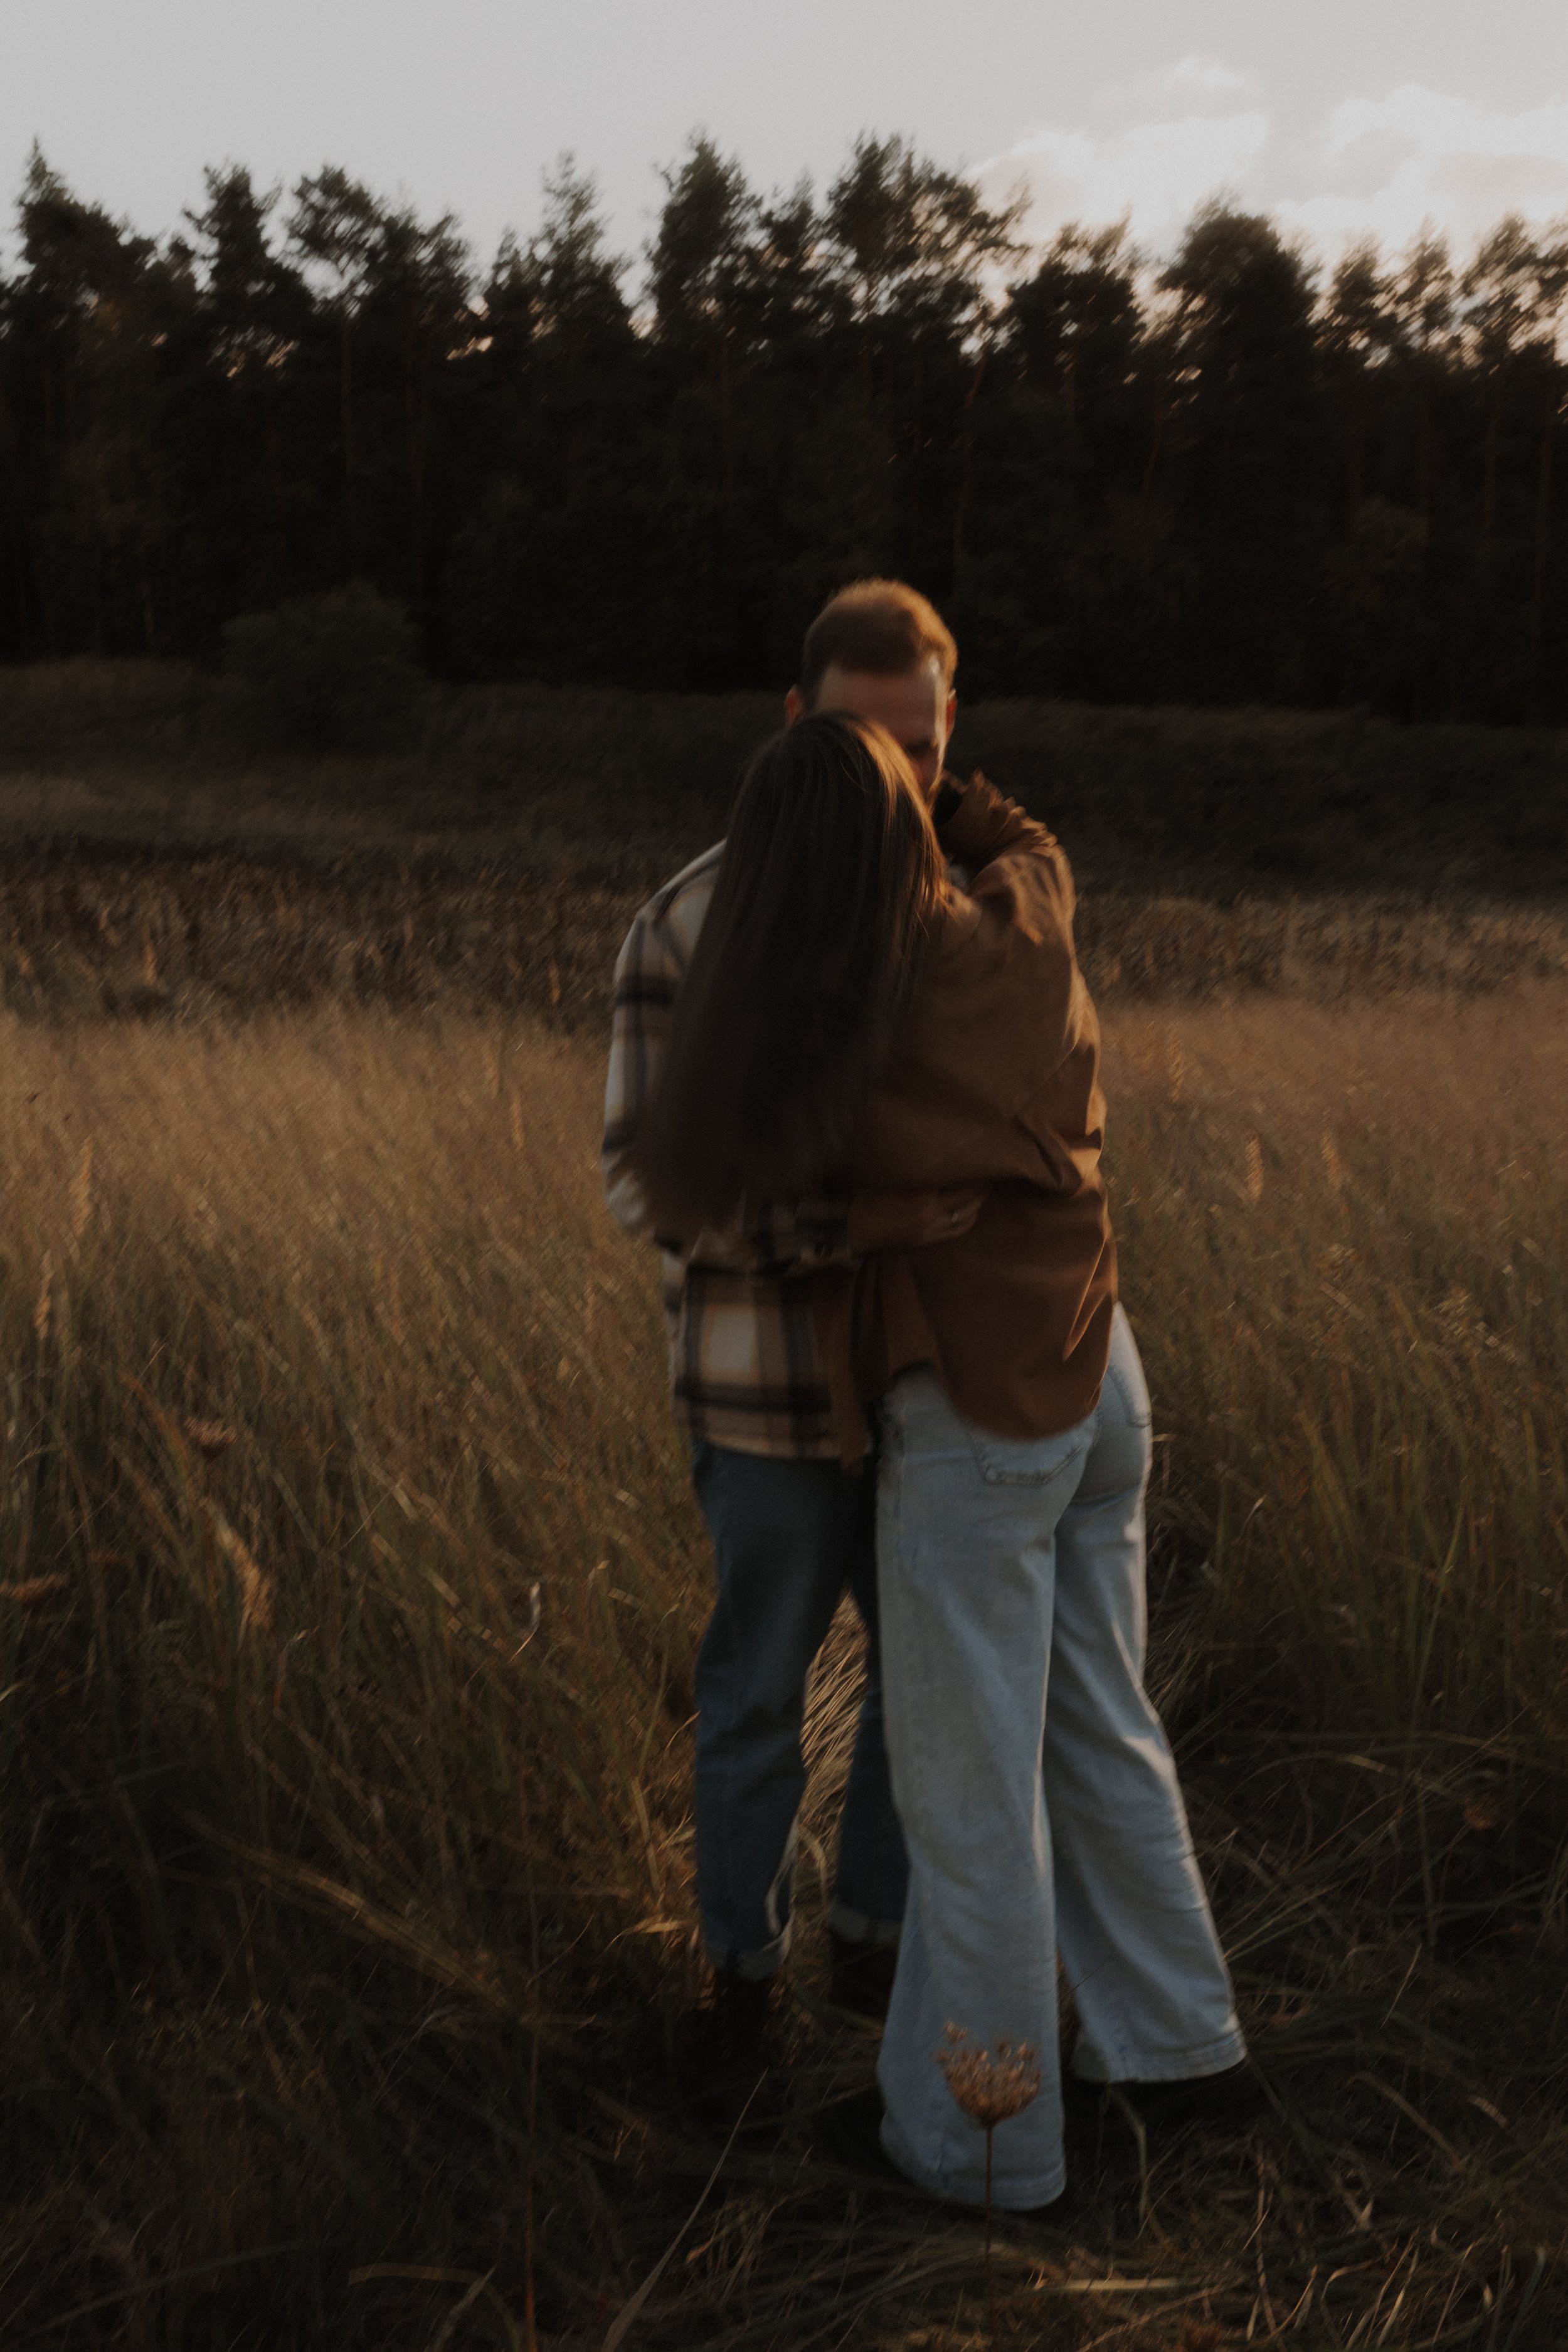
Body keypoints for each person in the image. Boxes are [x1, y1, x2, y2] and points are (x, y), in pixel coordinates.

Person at [634, 707, 1254, 2213]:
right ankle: (1177, 2056)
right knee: (1102, 1731)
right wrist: (932, 785)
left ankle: (981, 2148)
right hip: (1097, 1371)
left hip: (980, 1413)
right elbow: (1027, 837)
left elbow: (717, 1205)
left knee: (969, 1805)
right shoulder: (1016, 923)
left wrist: (868, 1224)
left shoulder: (834, 1015)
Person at [600, 581, 982, 2122]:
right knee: (759, 1691)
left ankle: (873, 1953)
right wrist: (851, 1228)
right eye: (860, 743)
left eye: (920, 747)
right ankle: (737, 1989)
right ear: (790, 730)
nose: (896, 779)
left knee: (920, 1685)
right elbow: (645, 1183)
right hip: (760, 1396)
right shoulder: (684, 924)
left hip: (922, 1394)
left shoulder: (965, 925)